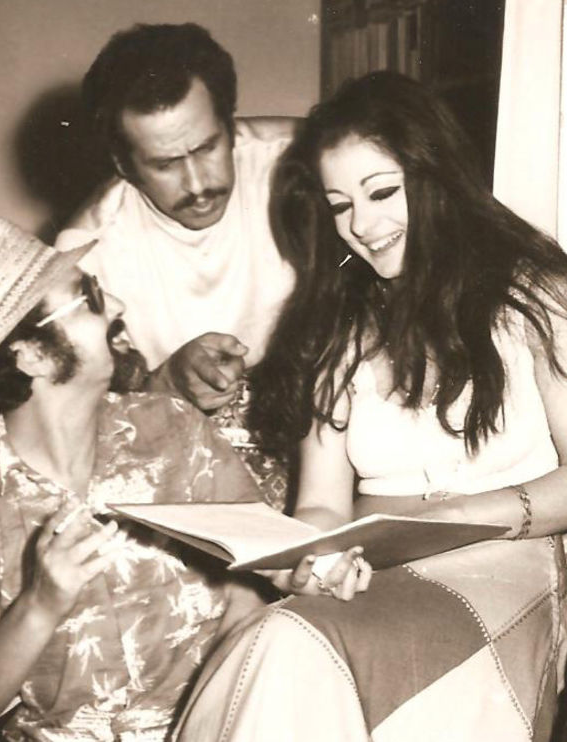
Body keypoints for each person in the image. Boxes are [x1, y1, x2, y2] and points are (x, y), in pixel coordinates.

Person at [175, 72, 567, 741]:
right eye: (340, 206)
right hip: (373, 573)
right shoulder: (336, 329)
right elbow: (322, 507)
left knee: (299, 651)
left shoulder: (539, 298)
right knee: (277, 639)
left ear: (437, 177)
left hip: (507, 565)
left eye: (382, 192)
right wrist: (311, 560)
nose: (361, 225)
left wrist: (459, 516)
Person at [0, 218, 267, 742]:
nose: (117, 307)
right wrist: (40, 605)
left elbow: (254, 584)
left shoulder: (175, 428)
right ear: (31, 354)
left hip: (225, 719)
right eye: (89, 298)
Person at [54, 23, 297, 509]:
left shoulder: (301, 162)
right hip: (197, 478)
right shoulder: (84, 254)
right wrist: (164, 385)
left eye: (208, 148)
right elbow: (77, 425)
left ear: (230, 123)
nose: (198, 184)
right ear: (123, 163)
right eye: (165, 165)